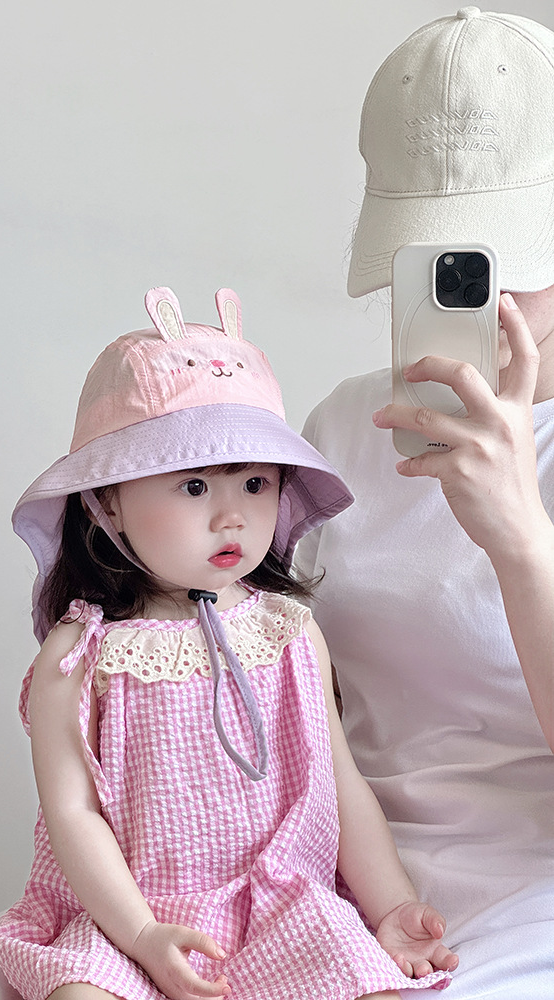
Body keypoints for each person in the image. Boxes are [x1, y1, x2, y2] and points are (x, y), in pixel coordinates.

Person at [0, 286, 458, 1000]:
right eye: (193, 486)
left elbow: (339, 783)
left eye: (254, 482)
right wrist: (144, 936)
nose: (232, 516)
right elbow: (72, 815)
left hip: (281, 906)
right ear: (108, 498)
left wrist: (392, 907)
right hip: (132, 918)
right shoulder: (80, 655)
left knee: (371, 988)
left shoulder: (287, 632)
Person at [296, 7, 554, 999]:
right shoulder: (343, 423)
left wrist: (520, 538)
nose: (482, 295)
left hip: (528, 899)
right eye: (439, 258)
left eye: (503, 256)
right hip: (339, 882)